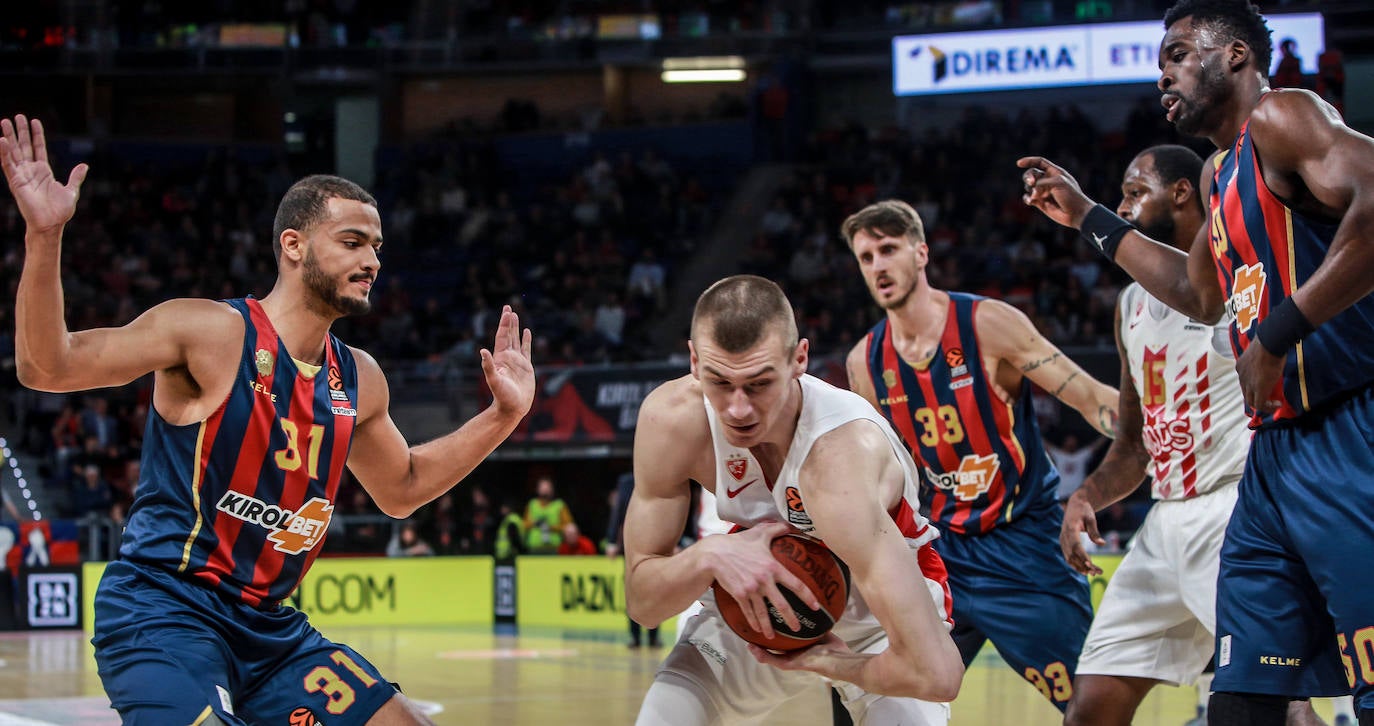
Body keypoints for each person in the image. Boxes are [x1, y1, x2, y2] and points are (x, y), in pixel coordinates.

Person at [2, 114, 536, 724]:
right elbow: (47, 367)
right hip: (164, 607)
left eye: (377, 247)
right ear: (293, 245)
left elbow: (403, 488)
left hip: (269, 630)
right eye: (353, 242)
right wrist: (44, 236)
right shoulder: (209, 332)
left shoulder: (360, 377)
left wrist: (503, 415)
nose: (372, 261)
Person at [1018, 1, 1374, 720]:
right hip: (1273, 460)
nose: (1164, 76)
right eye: (1161, 63)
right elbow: (1197, 295)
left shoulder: (1283, 116)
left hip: (1348, 430)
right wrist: (1087, 215)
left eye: (1178, 55)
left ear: (1235, 55)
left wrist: (1276, 335)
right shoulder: (1220, 174)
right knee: (1244, 694)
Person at [1056, 145, 1323, 726]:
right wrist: (1085, 497)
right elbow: (1134, 446)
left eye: (1135, 192)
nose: (1123, 207)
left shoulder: (1236, 280)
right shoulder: (1129, 303)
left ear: (1181, 193)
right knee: (1090, 709)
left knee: (1275, 703)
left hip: (1234, 512)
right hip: (1164, 522)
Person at [625, 275, 964, 725]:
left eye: (759, 384)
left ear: (799, 359)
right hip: (756, 602)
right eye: (720, 382)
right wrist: (708, 555)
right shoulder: (672, 420)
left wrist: (830, 664)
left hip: (877, 625)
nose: (738, 409)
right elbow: (643, 605)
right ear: (694, 361)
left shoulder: (837, 461)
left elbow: (938, 674)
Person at [841, 199, 1118, 712]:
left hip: (1025, 545)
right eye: (866, 257)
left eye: (889, 249)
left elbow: (1089, 396)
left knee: (1093, 710)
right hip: (941, 551)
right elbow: (881, 472)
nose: (878, 266)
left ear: (921, 252)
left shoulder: (987, 324)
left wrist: (1155, 428)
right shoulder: (866, 363)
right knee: (870, 701)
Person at [523, 474, 573, 554]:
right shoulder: (532, 504)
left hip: (554, 547)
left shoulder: (559, 505)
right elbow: (524, 525)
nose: (545, 489)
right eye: (543, 487)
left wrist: (551, 527)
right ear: (537, 489)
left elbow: (569, 527)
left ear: (552, 489)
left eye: (548, 487)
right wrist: (534, 523)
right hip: (534, 547)